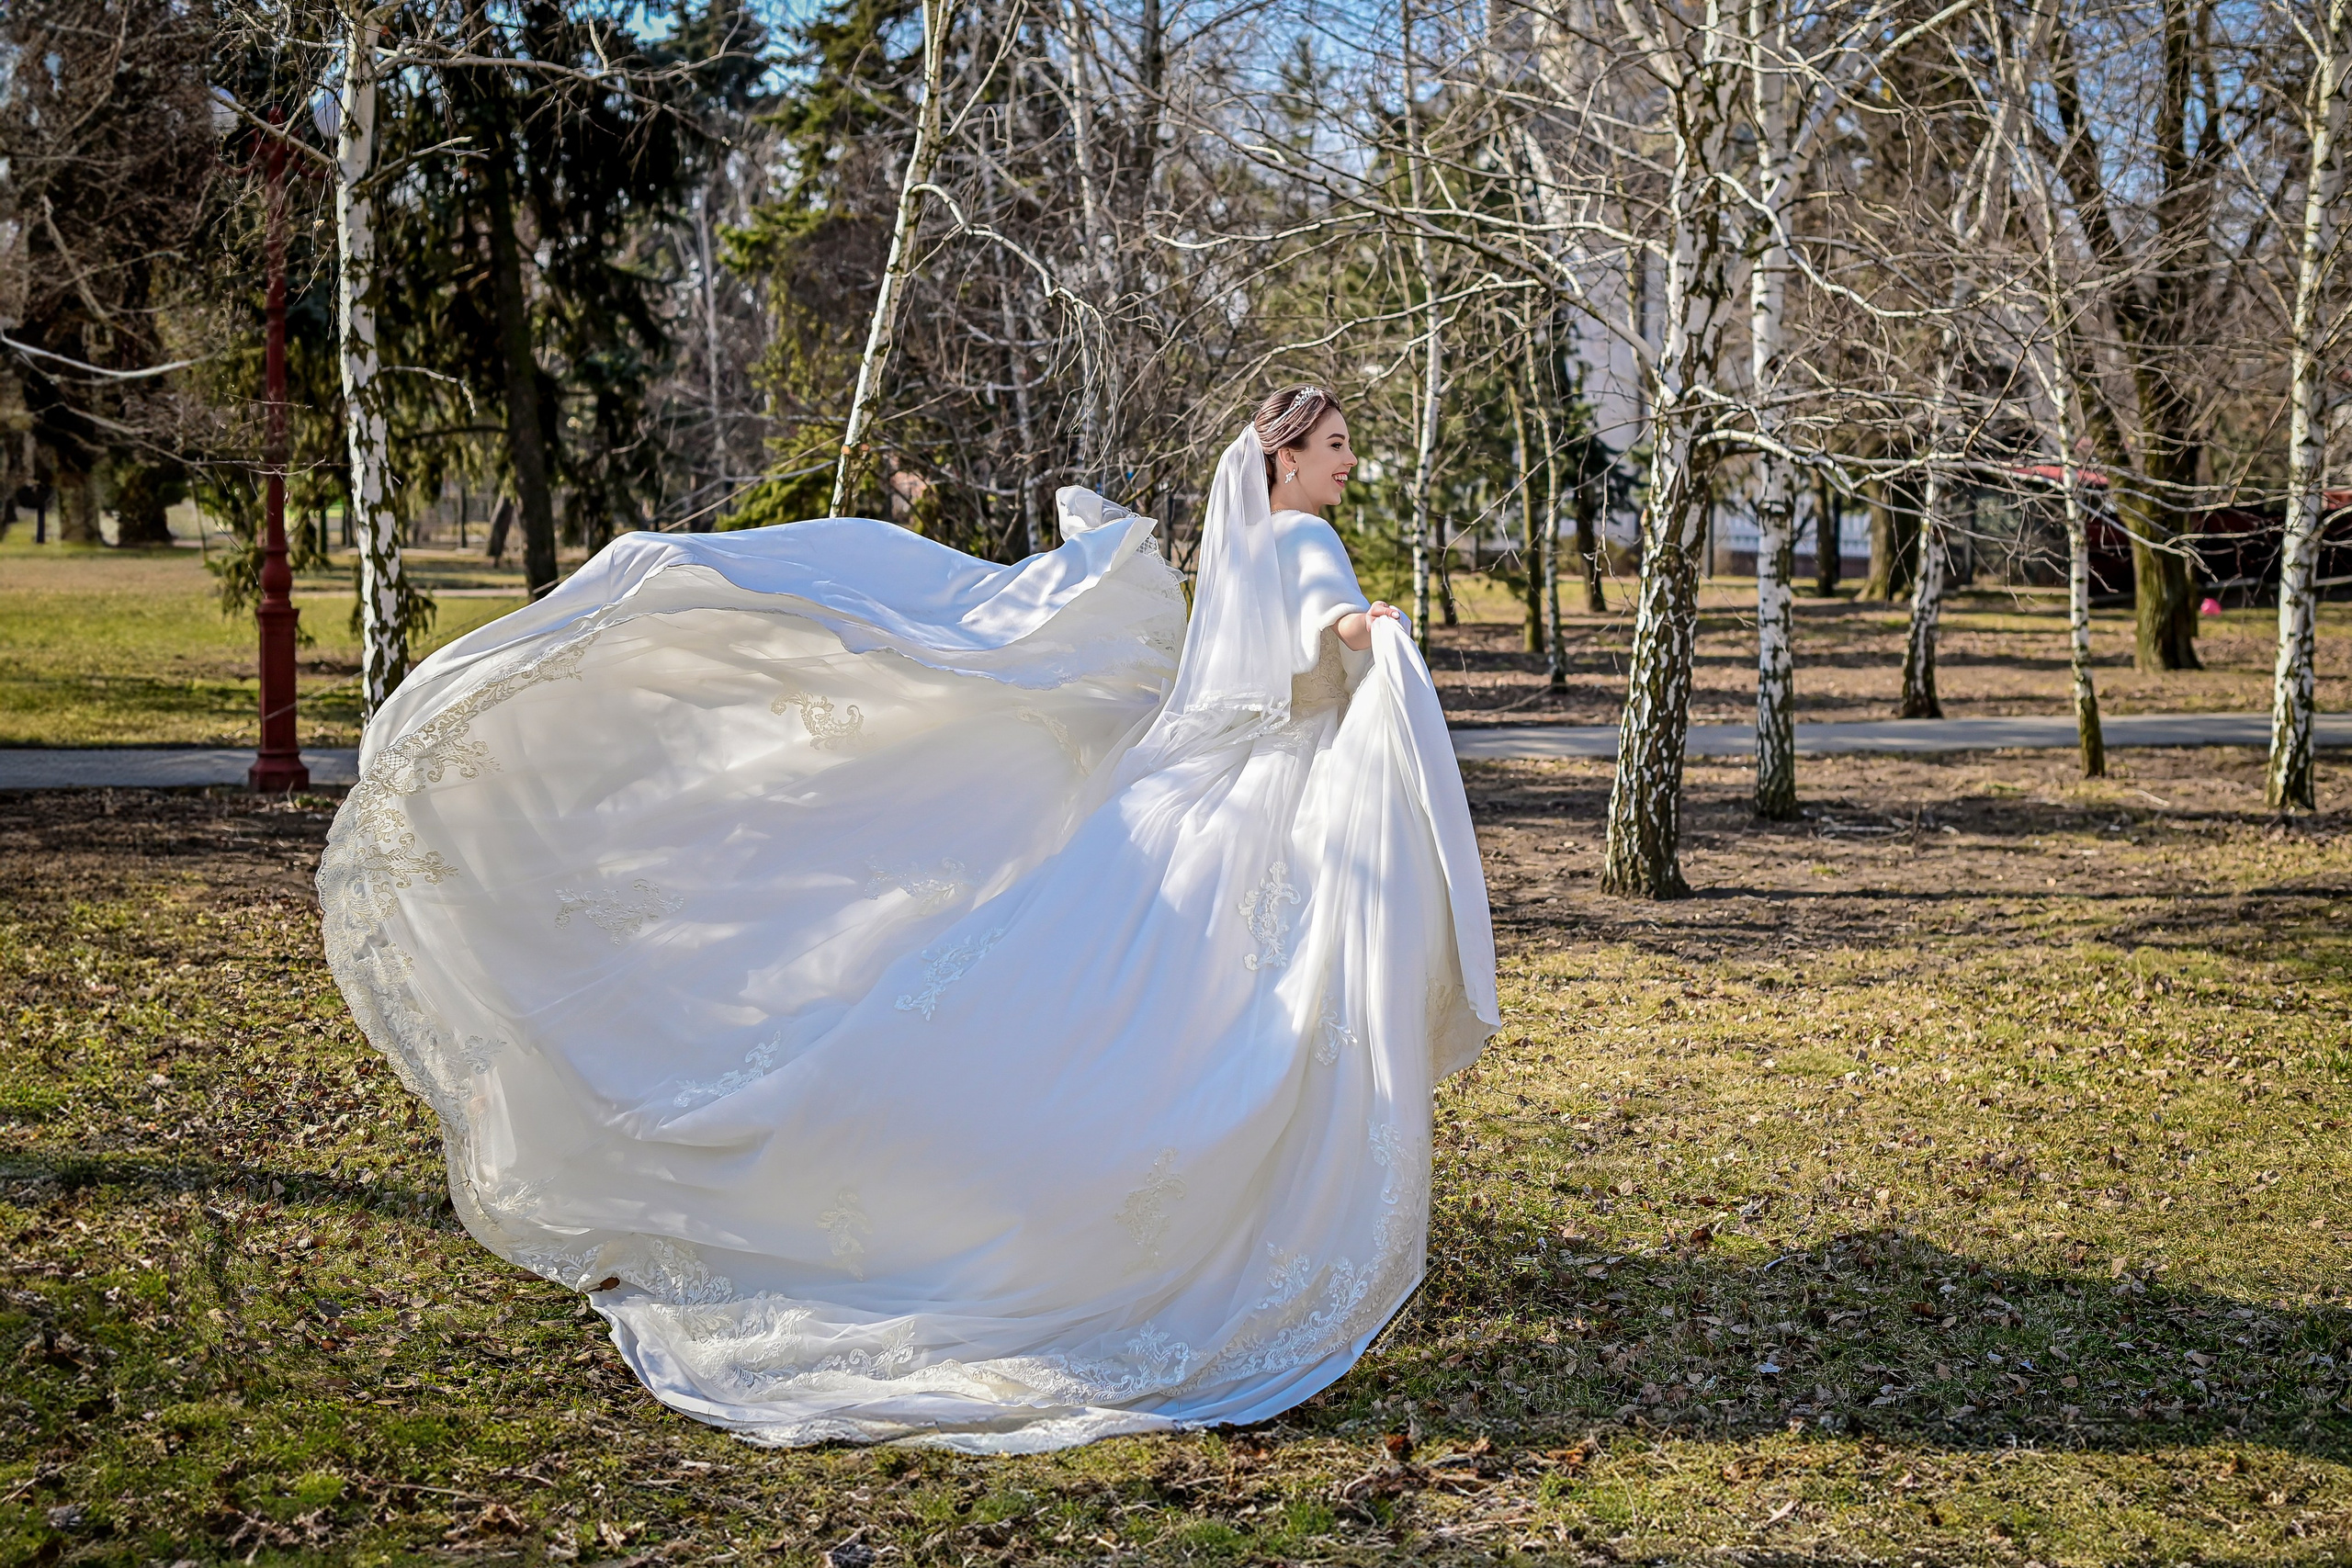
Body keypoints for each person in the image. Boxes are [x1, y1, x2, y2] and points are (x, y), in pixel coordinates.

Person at [317, 386, 1496, 1453]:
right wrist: (1377, 628)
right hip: (1265, 789)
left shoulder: (1248, 543)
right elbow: (1328, 629)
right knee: (1236, 1004)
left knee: (1168, 991)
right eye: (1333, 446)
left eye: (1346, 448)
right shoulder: (1303, 538)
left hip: (1233, 778)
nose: (1348, 463)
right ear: (1283, 461)